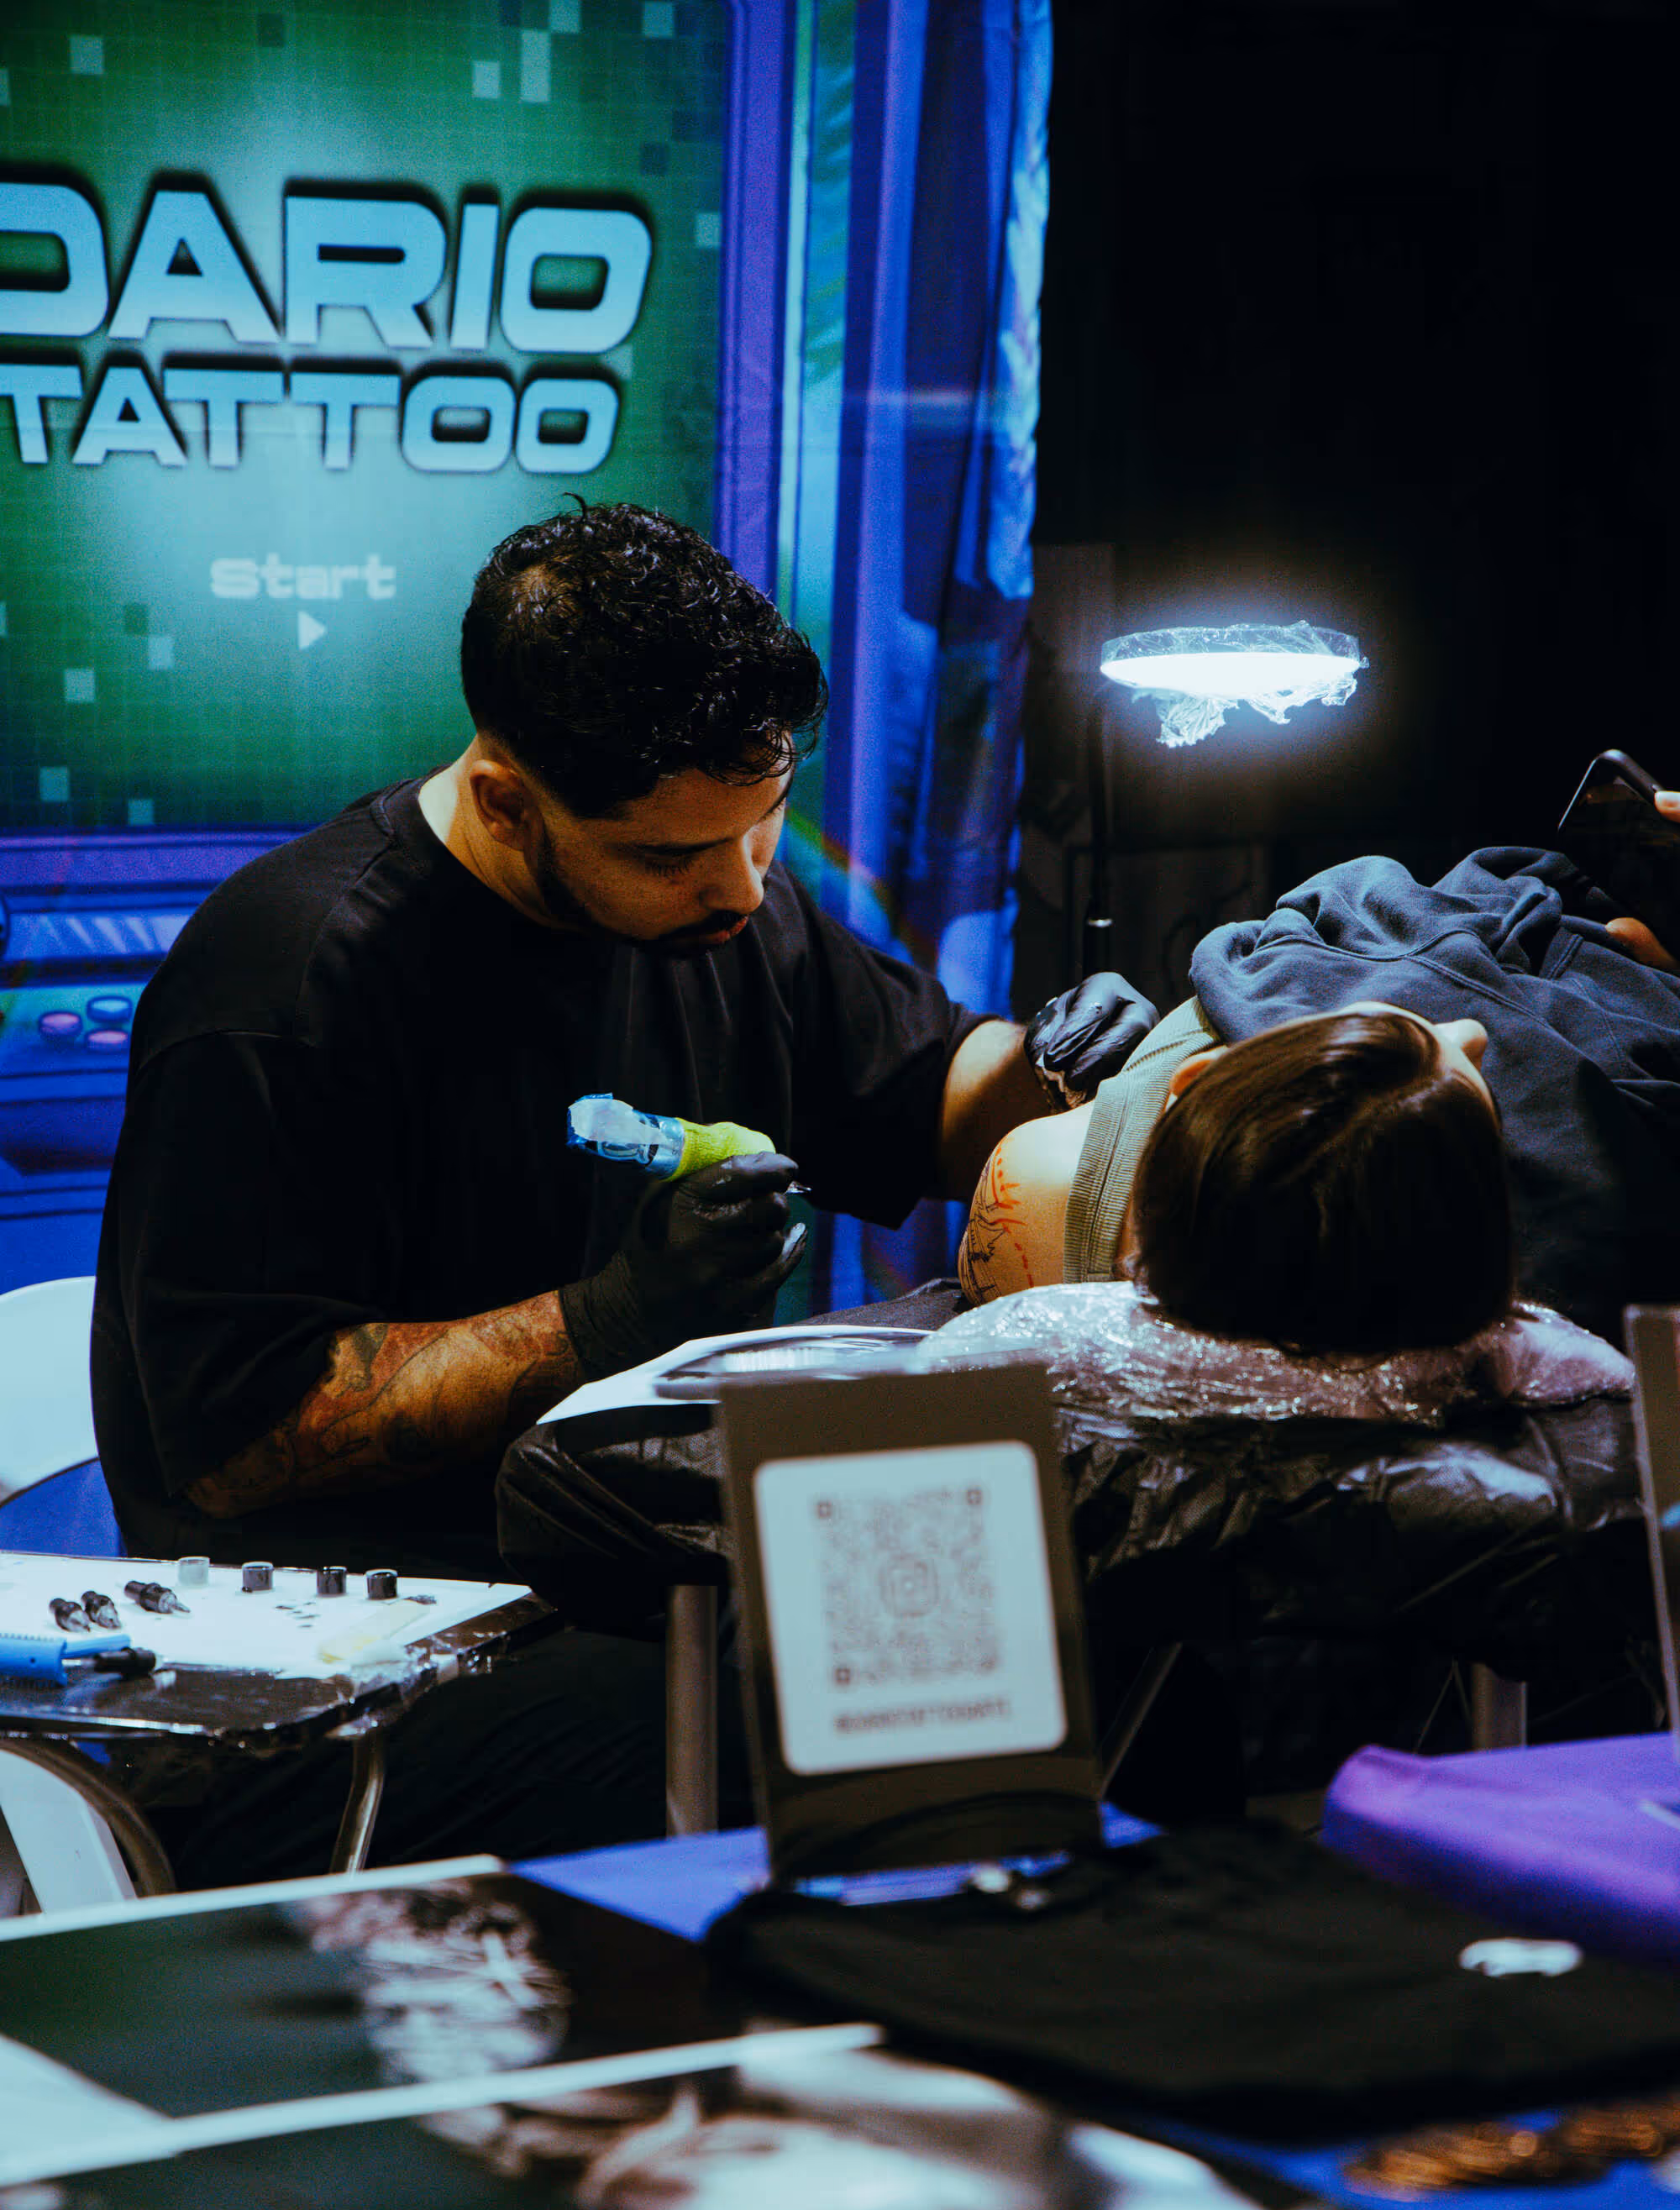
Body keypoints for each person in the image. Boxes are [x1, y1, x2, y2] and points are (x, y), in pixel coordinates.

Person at [91, 500, 1154, 1879]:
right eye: (667, 854)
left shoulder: (737, 906)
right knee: (823, 1722)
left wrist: (1081, 1074)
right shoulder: (287, 990)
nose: (737, 884)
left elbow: (941, 1101)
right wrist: (602, 1321)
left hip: (631, 1597)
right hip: (312, 1686)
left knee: (1074, 1644)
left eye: (766, 825)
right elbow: (238, 1439)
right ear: (503, 799)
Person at [959, 834, 1680, 1354]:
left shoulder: (1037, 1187)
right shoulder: (1592, 1227)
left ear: (1196, 1079)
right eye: (1484, 1106)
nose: (1471, 1031)